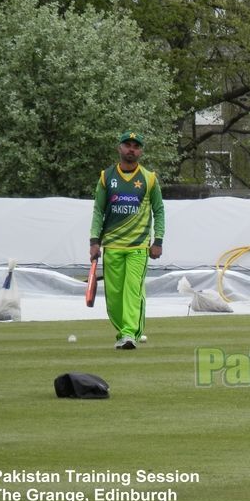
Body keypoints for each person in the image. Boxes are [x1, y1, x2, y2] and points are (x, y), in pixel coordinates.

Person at [90, 131, 165, 349]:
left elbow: (159, 211)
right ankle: (123, 331)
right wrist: (94, 241)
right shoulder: (107, 176)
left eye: (136, 146)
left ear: (141, 151)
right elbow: (98, 210)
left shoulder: (149, 178)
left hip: (138, 247)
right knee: (114, 297)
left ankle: (129, 333)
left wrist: (158, 241)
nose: (131, 149)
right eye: (127, 145)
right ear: (119, 148)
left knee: (133, 290)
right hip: (112, 245)